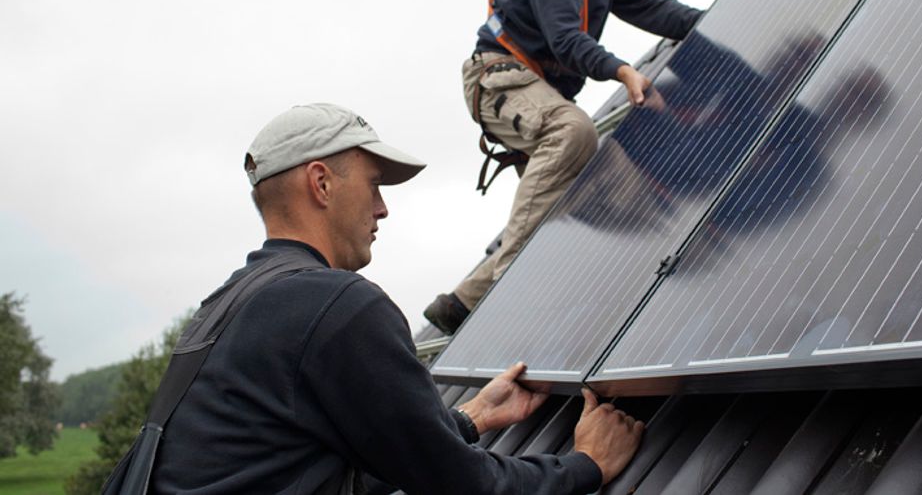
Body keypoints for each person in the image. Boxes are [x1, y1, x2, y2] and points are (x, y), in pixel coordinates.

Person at [148, 103, 644, 494]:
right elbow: (461, 485)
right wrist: (586, 465)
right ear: (321, 183)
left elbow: (325, 469)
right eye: (374, 185)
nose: (383, 208)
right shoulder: (337, 305)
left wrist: (470, 418)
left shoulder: (228, 305)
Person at [424, 0, 705, 334]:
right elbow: (563, 36)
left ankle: (459, 303)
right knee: (574, 132)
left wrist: (720, 17)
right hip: (499, 76)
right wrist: (622, 70)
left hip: (544, 93)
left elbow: (656, 10)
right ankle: (506, 294)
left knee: (624, 190)